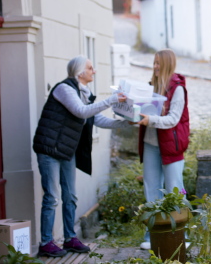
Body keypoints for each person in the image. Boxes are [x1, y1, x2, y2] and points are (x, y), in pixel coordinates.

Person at [33, 56, 130, 257]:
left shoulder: (84, 93)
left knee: (70, 196)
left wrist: (126, 123)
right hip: (50, 149)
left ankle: (70, 238)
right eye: (90, 68)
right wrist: (112, 99)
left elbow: (95, 119)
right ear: (79, 72)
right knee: (52, 197)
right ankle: (46, 242)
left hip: (67, 150)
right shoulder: (64, 89)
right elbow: (81, 112)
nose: (93, 71)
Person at [136, 49, 190, 250]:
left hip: (171, 146)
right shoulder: (151, 87)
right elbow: (142, 112)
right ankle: (153, 237)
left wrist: (150, 120)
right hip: (151, 145)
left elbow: (173, 119)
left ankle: (181, 236)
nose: (155, 66)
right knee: (151, 190)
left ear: (167, 64)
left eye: (158, 63)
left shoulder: (177, 89)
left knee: (175, 191)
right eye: (154, 63)